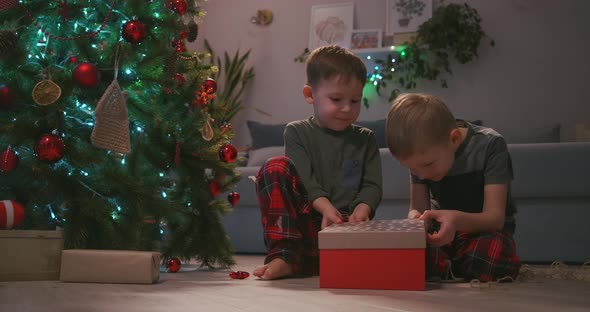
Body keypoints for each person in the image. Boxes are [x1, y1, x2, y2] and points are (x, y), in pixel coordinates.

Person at [252, 45, 383, 280]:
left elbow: (372, 186)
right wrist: (325, 208)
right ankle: (285, 255)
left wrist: (362, 209)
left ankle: (316, 262)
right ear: (310, 95)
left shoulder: (366, 139)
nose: (347, 108)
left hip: (347, 227)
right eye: (336, 99)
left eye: (355, 100)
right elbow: (306, 180)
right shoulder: (296, 132)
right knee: (274, 166)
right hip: (305, 226)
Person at [385, 93, 520, 282]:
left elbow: (495, 219)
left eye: (428, 165)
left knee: (486, 257)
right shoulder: (421, 159)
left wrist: (455, 221)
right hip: (441, 232)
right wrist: (416, 220)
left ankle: (450, 265)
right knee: (406, 256)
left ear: (454, 139)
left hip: (485, 231)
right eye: (412, 168)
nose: (421, 174)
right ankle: (452, 264)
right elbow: (417, 209)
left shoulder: (490, 144)